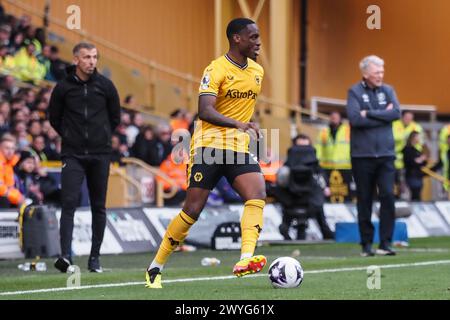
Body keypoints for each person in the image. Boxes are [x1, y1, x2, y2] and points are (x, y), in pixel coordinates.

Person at [145, 18, 265, 289]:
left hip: (236, 147)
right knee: (193, 209)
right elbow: (205, 110)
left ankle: (246, 257)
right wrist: (237, 124)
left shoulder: (258, 71)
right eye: (253, 37)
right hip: (208, 146)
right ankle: (155, 266)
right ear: (237, 38)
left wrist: (245, 127)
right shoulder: (216, 69)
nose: (258, 42)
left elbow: (240, 109)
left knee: (257, 193)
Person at [49, 42, 121, 273]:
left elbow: (115, 118)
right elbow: (54, 118)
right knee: (68, 203)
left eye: (94, 57)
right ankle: (65, 256)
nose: (91, 61)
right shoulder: (62, 87)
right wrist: (71, 137)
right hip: (73, 154)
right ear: (76, 60)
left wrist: (101, 138)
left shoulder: (106, 86)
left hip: (100, 154)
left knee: (98, 207)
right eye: (87, 57)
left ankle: (94, 258)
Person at [346, 55, 400, 257]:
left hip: (386, 155)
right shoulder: (354, 91)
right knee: (365, 199)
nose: (381, 75)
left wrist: (368, 113)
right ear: (366, 74)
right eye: (377, 72)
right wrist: (381, 115)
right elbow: (354, 119)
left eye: (382, 71)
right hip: (362, 156)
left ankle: (386, 244)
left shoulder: (389, 90)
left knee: (387, 197)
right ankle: (366, 245)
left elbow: (396, 113)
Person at [276, 134, 334, 240]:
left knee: (319, 211)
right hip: (293, 200)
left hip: (309, 200)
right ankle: (325, 231)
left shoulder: (316, 171)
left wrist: (325, 187)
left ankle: (325, 231)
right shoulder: (287, 169)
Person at [392, 111, 424, 197]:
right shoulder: (394, 124)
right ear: (402, 117)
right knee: (395, 183)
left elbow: (419, 141)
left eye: (410, 118)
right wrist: (406, 136)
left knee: (412, 186)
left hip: (410, 161)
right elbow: (392, 137)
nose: (408, 120)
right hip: (395, 160)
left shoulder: (416, 126)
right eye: (406, 118)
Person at [402, 131, 428, 201]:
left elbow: (423, 163)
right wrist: (419, 160)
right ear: (413, 138)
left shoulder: (416, 150)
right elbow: (409, 162)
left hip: (418, 176)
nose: (419, 139)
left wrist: (421, 160)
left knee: (417, 195)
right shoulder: (407, 149)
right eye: (418, 137)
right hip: (412, 176)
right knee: (415, 196)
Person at [0, 134, 24, 208]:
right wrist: (17, 197)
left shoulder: (9, 164)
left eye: (12, 148)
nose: (10, 151)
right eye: (7, 148)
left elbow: (10, 187)